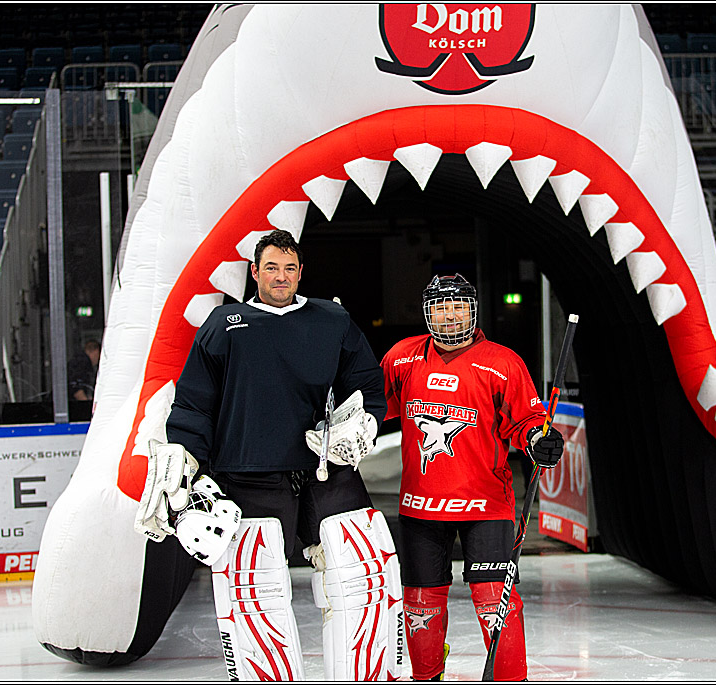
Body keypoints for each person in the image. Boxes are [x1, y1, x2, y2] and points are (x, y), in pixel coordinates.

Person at [134, 229, 403, 681]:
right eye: (272, 268)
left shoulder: (331, 319)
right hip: (249, 472)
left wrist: (364, 421)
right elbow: (196, 402)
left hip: (325, 468)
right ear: (254, 272)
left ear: (301, 273)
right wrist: (186, 456)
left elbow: (365, 381)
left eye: (290, 268)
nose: (281, 277)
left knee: (363, 577)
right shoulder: (224, 324)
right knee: (254, 590)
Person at [380, 274, 564, 681]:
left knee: (493, 599)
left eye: (458, 305)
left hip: (485, 504)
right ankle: (427, 675)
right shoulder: (401, 358)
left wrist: (540, 439)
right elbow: (375, 409)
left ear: (473, 309)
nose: (450, 315)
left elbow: (529, 421)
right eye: (441, 306)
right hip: (421, 504)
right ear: (427, 312)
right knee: (421, 603)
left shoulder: (502, 362)